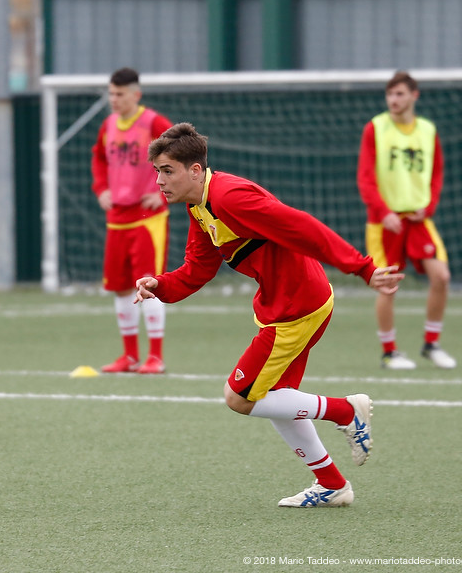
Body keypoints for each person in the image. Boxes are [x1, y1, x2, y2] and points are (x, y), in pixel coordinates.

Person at [135, 123, 403, 507]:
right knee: (275, 396)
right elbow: (197, 269)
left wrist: (361, 268)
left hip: (297, 307)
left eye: (167, 171)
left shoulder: (230, 197)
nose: (159, 181)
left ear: (195, 170)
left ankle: (345, 409)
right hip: (283, 305)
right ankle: (332, 485)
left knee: (239, 397)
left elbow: (302, 226)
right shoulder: (199, 206)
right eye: (157, 172)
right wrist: (161, 285)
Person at [357, 71, 457, 370]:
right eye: (390, 94)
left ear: (415, 95)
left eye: (400, 94)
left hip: (418, 220)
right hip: (384, 222)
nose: (394, 100)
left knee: (441, 277)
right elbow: (365, 177)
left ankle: (432, 344)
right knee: (388, 285)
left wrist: (430, 206)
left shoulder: (427, 130)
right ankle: (390, 352)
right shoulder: (375, 128)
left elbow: (436, 172)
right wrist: (383, 211)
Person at [91, 67, 173, 374]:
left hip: (147, 220)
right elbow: (98, 159)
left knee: (149, 284)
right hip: (117, 220)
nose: (114, 99)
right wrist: (101, 189)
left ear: (136, 95)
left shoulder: (154, 122)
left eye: (120, 94)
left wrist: (161, 190)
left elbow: (180, 155)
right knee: (121, 287)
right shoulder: (108, 125)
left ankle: (156, 356)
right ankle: (129, 356)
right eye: (111, 93)